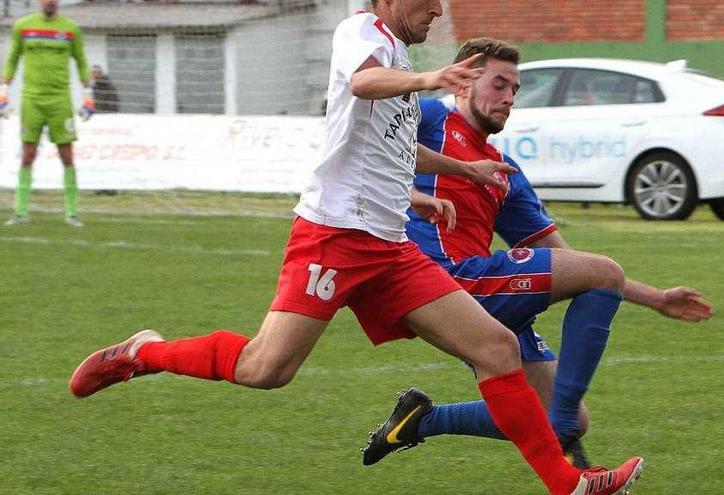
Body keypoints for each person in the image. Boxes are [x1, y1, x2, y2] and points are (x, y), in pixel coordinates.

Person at [68, 3, 642, 495]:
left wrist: (447, 178)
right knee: (266, 369)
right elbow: (363, 85)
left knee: (495, 346)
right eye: (430, 1)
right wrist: (430, 81)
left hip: (389, 245)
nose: (438, 11)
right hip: (334, 238)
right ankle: (144, 353)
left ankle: (568, 483)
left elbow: (392, 146)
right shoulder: (360, 33)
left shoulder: (399, 53)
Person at [361, 38, 713, 469]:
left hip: (483, 290)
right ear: (463, 85)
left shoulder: (504, 172)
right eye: (498, 84)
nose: (508, 98)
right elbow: (370, 154)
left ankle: (419, 422)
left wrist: (655, 298)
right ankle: (562, 433)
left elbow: (565, 258)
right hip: (444, 280)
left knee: (566, 410)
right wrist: (414, 194)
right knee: (566, 405)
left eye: (515, 90)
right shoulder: (434, 118)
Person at [1, 0, 93, 227]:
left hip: (60, 100)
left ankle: (72, 213)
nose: (49, 1)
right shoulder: (23, 26)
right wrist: (3, 92)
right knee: (27, 155)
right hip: (32, 100)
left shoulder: (70, 29)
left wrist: (89, 95)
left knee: (67, 156)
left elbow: (82, 62)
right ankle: (21, 212)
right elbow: (12, 59)